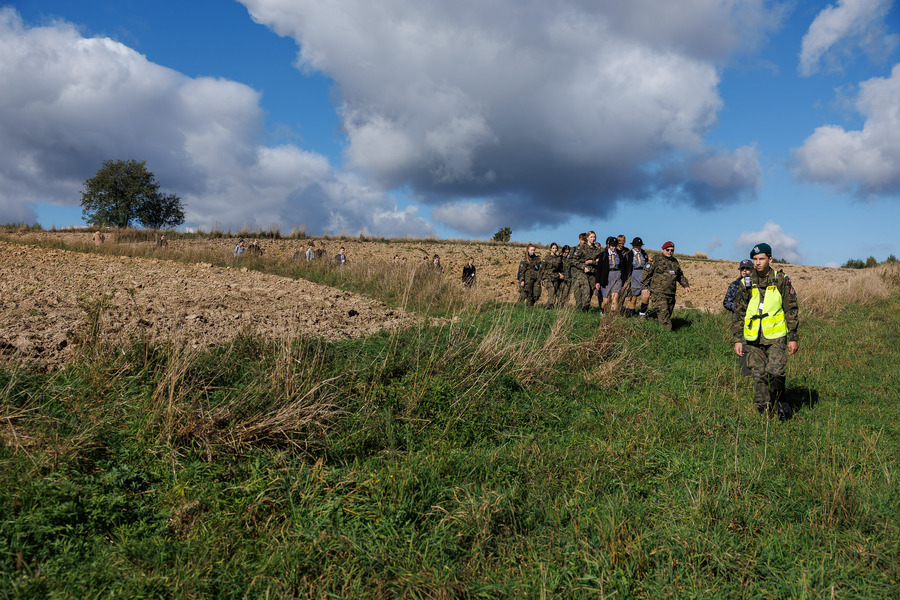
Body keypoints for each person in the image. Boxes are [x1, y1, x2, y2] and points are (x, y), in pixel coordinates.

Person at [732, 243, 799, 420]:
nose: (757, 262)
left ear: (770, 259)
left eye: (761, 258)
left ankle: (780, 397)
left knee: (775, 372)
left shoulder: (781, 279)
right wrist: (738, 339)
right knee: (758, 375)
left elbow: (791, 309)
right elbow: (738, 312)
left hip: (776, 337)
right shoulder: (745, 282)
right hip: (753, 338)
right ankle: (764, 413)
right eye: (755, 259)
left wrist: (793, 337)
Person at [640, 241, 691, 330]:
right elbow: (646, 273)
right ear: (663, 249)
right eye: (668, 250)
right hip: (658, 293)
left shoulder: (674, 262)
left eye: (672, 250)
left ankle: (653, 328)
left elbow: (680, 276)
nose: (670, 252)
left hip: (671, 293)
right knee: (664, 316)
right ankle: (668, 334)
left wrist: (686, 286)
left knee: (665, 314)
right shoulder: (656, 259)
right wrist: (644, 287)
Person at [724, 259, 754, 377]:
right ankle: (745, 374)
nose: (745, 271)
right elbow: (726, 302)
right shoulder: (734, 285)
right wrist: (739, 308)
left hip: (755, 322)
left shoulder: (756, 284)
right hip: (739, 321)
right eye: (743, 269)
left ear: (752, 270)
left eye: (747, 269)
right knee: (742, 346)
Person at [572, 231, 601, 312]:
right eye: (591, 237)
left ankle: (584, 308)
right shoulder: (582, 248)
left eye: (594, 237)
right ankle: (584, 309)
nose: (593, 239)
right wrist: (583, 266)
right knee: (586, 290)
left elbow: (600, 262)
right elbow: (574, 260)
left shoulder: (597, 250)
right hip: (583, 272)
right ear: (587, 238)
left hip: (593, 273)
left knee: (591, 291)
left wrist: (592, 262)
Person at [598, 236, 626, 315]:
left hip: (617, 276)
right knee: (606, 301)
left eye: (615, 245)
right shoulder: (603, 254)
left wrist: (623, 278)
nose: (613, 247)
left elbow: (622, 267)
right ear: (609, 245)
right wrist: (598, 281)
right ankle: (603, 311)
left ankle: (612, 316)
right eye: (612, 246)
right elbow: (599, 269)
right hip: (606, 277)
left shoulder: (620, 255)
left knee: (615, 298)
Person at [624, 237, 649, 317]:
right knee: (633, 297)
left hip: (643, 275)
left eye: (639, 245)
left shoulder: (644, 254)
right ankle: (631, 315)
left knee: (646, 294)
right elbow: (626, 268)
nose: (637, 247)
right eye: (636, 245)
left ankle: (642, 313)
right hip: (634, 275)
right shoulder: (629, 254)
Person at [540, 243, 566, 309]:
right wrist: (541, 279)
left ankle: (548, 307)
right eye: (553, 248)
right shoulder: (546, 258)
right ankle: (551, 305)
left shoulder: (558, 259)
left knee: (554, 292)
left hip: (555, 277)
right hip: (547, 277)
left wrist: (560, 274)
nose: (555, 250)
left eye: (556, 248)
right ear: (550, 249)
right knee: (551, 290)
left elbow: (560, 268)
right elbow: (542, 269)